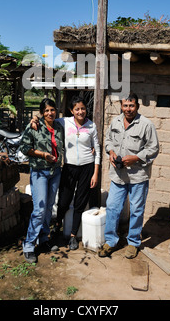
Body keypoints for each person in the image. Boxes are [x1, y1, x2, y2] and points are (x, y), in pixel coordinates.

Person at [31, 95, 100, 250]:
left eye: (83, 108)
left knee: (80, 203)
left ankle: (73, 236)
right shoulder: (64, 122)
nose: (80, 111)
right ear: (71, 110)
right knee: (63, 201)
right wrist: (34, 118)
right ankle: (57, 227)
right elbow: (48, 118)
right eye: (77, 109)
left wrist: (95, 173)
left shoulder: (91, 126)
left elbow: (98, 151)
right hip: (69, 168)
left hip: (87, 168)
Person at [98, 92, 159, 259]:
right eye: (125, 105)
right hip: (118, 175)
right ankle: (111, 241)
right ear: (121, 106)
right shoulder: (115, 121)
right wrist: (110, 152)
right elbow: (109, 140)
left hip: (138, 176)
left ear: (137, 106)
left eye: (131, 105)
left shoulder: (146, 125)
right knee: (112, 207)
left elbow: (153, 148)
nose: (128, 109)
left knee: (136, 210)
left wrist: (136, 158)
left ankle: (133, 242)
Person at [19, 98, 64, 263]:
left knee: (49, 207)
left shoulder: (59, 126)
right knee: (39, 208)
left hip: (56, 171)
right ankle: (29, 244)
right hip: (39, 171)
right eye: (46, 111)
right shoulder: (34, 126)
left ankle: (44, 238)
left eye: (52, 110)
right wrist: (42, 154)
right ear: (41, 113)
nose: (50, 113)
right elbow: (24, 148)